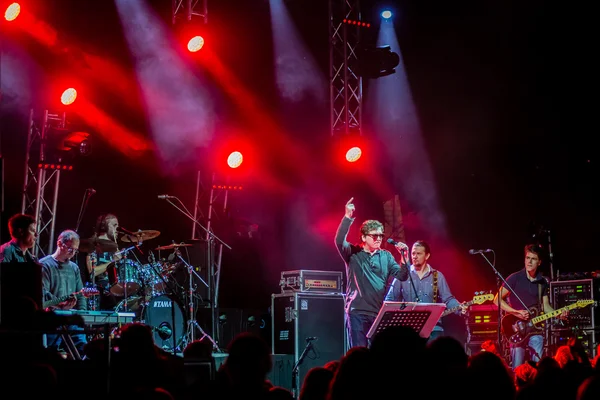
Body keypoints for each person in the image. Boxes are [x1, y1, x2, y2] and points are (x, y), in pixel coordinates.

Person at [335, 197, 409, 349]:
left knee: (377, 356)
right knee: (359, 354)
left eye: (381, 236)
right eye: (374, 236)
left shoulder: (386, 256)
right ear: (363, 237)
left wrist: (404, 258)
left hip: (378, 314)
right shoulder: (353, 253)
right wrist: (347, 217)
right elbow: (339, 240)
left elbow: (402, 275)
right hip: (357, 313)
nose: (378, 239)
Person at [495, 243, 567, 370]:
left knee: (537, 367)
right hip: (517, 327)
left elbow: (545, 307)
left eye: (533, 259)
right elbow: (497, 300)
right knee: (517, 367)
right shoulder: (514, 278)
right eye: (527, 258)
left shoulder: (542, 282)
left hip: (535, 328)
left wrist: (558, 313)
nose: (529, 262)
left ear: (539, 262)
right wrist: (515, 312)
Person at [385, 240, 466, 342]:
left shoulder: (437, 276)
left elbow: (448, 299)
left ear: (427, 256)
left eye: (418, 254)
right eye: (413, 253)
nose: (414, 256)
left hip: (433, 328)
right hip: (409, 328)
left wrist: (459, 308)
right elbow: (390, 300)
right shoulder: (403, 275)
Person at [40, 229, 88, 356]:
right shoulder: (44, 265)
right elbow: (43, 293)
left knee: (83, 349)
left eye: (75, 250)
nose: (73, 253)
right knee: (50, 353)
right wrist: (60, 305)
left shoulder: (74, 267)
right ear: (60, 243)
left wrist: (82, 314)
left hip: (70, 318)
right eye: (70, 248)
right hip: (51, 319)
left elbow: (80, 293)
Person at [85, 213, 122, 310]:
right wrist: (113, 262)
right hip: (98, 292)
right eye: (114, 225)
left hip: (116, 291)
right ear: (104, 226)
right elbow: (92, 272)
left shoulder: (114, 246)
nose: (117, 229)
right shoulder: (94, 244)